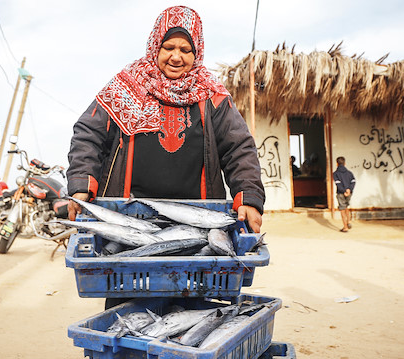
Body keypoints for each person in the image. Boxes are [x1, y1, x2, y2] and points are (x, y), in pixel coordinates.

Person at [66, 6, 265, 233]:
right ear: (155, 47)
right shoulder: (126, 86)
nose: (176, 57)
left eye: (185, 50)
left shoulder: (213, 95)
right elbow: (88, 134)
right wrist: (81, 184)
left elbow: (238, 148)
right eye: (168, 47)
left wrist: (249, 197)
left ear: (197, 53)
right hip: (126, 218)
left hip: (197, 221)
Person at [333, 156, 356, 232]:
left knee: (342, 209)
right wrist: (349, 190)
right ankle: (348, 221)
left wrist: (343, 191)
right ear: (344, 163)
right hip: (349, 193)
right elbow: (353, 182)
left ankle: (345, 227)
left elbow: (338, 184)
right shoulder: (349, 173)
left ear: (337, 164)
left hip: (341, 193)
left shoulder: (335, 174)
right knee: (346, 207)